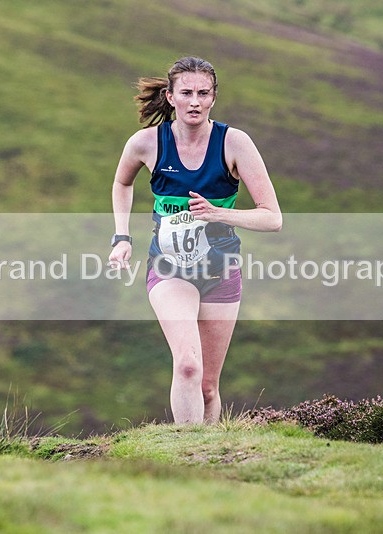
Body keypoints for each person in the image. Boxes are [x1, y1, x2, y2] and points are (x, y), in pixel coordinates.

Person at [108, 56, 281, 424]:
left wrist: (218, 214)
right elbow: (122, 182)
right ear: (170, 97)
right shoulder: (146, 144)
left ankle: (210, 462)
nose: (195, 102)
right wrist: (121, 237)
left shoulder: (234, 144)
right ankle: (186, 458)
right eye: (186, 93)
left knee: (207, 387)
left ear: (214, 98)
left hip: (221, 271)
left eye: (203, 93)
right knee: (187, 365)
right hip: (169, 269)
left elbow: (272, 218)